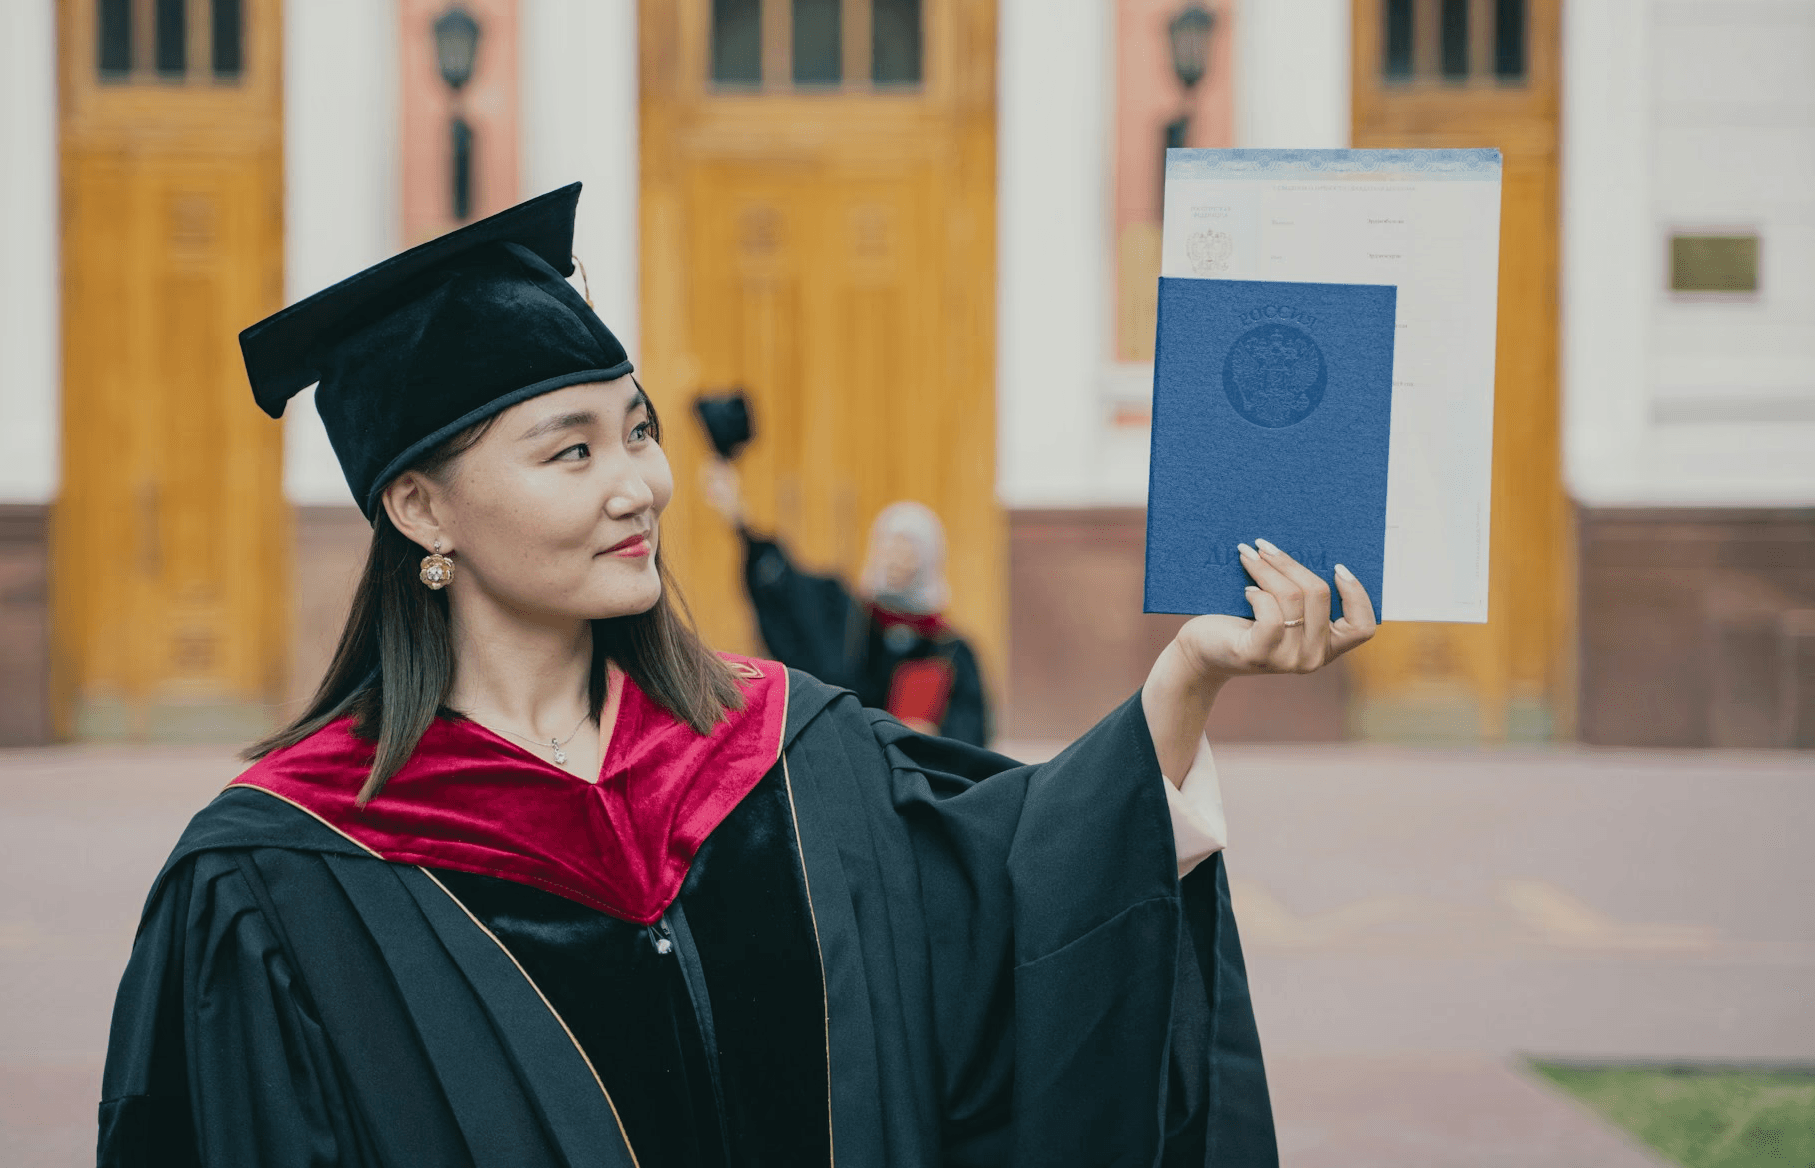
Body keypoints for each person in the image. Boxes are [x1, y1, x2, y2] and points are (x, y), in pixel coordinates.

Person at [97, 184, 1377, 1167]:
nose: (635, 485)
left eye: (637, 431)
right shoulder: (278, 878)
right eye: (569, 450)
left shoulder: (787, 754)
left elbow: (1016, 902)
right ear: (423, 508)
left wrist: (1186, 681)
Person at [704, 461, 990, 745]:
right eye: (890, 544)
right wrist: (739, 519)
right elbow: (786, 588)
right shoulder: (846, 619)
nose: (897, 558)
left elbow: (972, 734)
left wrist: (935, 738)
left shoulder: (948, 649)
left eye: (910, 549)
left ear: (930, 559)